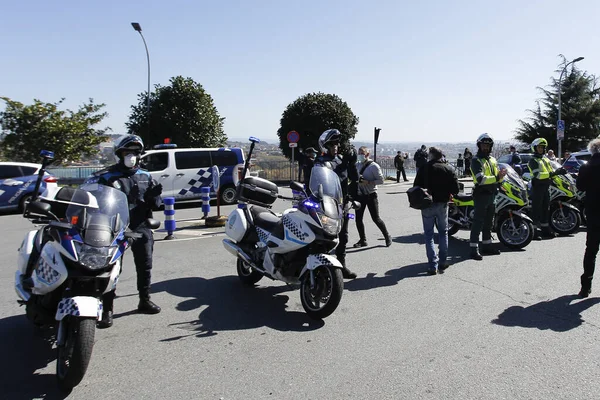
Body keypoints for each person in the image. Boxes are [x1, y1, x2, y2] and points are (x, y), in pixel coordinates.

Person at [85, 134, 163, 328]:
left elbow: (156, 204)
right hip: (113, 229)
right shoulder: (106, 176)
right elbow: (93, 200)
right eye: (127, 152)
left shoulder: (145, 176)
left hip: (140, 226)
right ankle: (107, 309)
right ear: (120, 154)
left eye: (135, 153)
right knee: (110, 269)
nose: (131, 156)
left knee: (145, 266)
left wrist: (155, 197)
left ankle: (144, 300)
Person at [316, 129, 358, 279]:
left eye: (337, 143)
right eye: (332, 143)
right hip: (327, 204)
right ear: (325, 145)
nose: (336, 146)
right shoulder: (321, 161)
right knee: (326, 236)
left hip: (342, 204)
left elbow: (353, 178)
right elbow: (328, 177)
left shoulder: (340, 159)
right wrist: (344, 163)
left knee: (343, 236)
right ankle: (321, 267)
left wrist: (352, 163)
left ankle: (341, 266)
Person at [414, 147, 460, 274]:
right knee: (443, 232)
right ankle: (443, 261)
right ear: (441, 156)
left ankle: (432, 265)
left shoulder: (424, 168)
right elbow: (455, 189)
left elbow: (416, 186)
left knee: (428, 235)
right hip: (443, 204)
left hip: (427, 204)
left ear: (431, 156)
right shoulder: (448, 169)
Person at [469, 133, 507, 260]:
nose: (485, 147)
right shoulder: (476, 160)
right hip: (481, 195)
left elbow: (497, 175)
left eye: (488, 145)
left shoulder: (492, 160)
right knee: (478, 222)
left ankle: (487, 246)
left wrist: (501, 181)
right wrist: (497, 178)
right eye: (483, 145)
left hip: (492, 194)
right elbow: (481, 179)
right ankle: (473, 249)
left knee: (489, 222)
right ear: (479, 145)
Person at [353, 146, 392, 248]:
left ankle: (387, 236)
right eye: (359, 153)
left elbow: (381, 180)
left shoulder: (374, 166)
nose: (360, 155)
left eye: (362, 153)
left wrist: (368, 182)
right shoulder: (357, 165)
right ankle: (362, 240)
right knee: (358, 219)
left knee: (376, 218)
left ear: (367, 154)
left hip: (371, 195)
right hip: (360, 195)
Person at [576, 138, 600, 297]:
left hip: (593, 211)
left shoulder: (587, 166)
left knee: (591, 250)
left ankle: (586, 286)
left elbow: (580, 186)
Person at [528, 138, 566, 240]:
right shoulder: (533, 160)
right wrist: (554, 173)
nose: (541, 149)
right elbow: (538, 175)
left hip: (546, 187)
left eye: (542, 147)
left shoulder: (545, 159)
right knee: (536, 209)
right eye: (539, 147)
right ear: (534, 148)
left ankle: (545, 229)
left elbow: (551, 171)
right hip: (537, 187)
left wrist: (559, 171)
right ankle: (534, 231)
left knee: (546, 208)